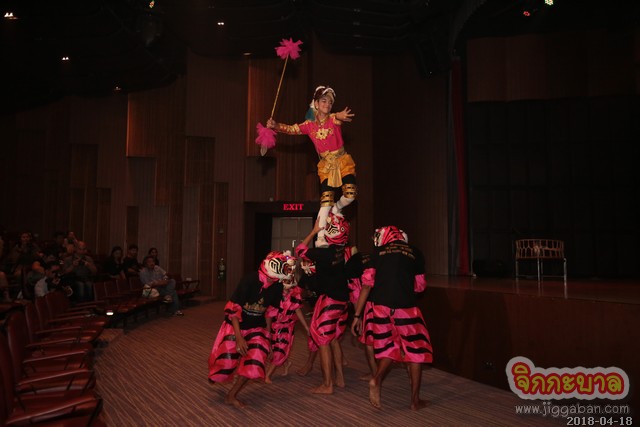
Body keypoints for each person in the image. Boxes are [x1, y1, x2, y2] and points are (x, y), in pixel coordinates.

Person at [351, 226, 432, 410]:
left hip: (380, 308)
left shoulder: (377, 253)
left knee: (389, 348)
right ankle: (415, 401)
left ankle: (376, 379)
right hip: (405, 308)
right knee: (415, 353)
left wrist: (357, 315)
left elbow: (366, 285)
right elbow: (420, 286)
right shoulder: (415, 252)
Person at [267, 85, 357, 247]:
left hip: (342, 161)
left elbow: (336, 116)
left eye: (330, 102)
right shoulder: (309, 125)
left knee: (350, 195)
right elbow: (291, 129)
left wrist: (340, 115)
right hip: (326, 166)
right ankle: (320, 238)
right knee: (326, 201)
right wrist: (276, 125)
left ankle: (337, 208)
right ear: (316, 104)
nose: (327, 104)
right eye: (323, 101)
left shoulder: (333, 119)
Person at [208, 250, 296, 408]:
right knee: (225, 363)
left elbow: (269, 313)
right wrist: (238, 338)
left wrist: (268, 338)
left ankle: (231, 395)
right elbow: (234, 309)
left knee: (255, 361)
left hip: (256, 327)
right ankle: (218, 372)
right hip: (235, 325)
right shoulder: (250, 279)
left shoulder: (277, 286)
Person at [295, 212, 350, 394]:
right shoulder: (342, 250)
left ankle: (327, 384)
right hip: (343, 300)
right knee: (333, 339)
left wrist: (314, 231)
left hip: (330, 300)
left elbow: (299, 251)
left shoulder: (324, 253)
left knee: (323, 340)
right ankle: (340, 377)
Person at [264, 275, 310, 383]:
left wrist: (306, 327)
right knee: (275, 347)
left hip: (287, 327)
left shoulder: (294, 294)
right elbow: (269, 314)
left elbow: (297, 310)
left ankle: (268, 375)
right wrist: (267, 330)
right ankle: (286, 363)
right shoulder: (276, 294)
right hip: (275, 325)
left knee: (280, 349)